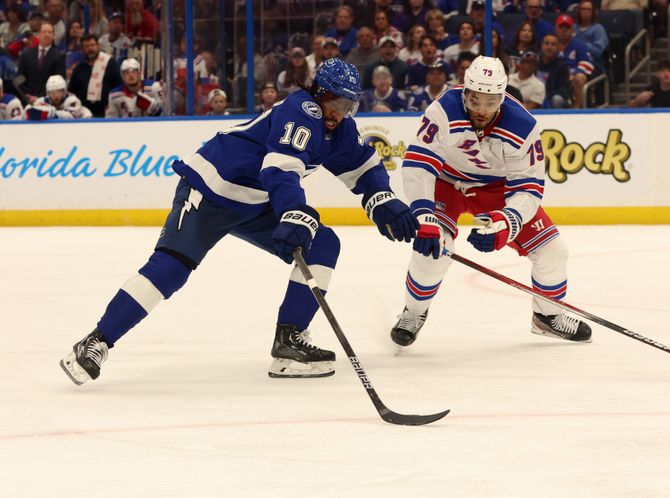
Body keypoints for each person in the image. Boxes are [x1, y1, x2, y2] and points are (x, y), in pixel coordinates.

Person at [59, 58, 418, 386]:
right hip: (212, 187)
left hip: (256, 199)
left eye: (347, 106)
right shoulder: (302, 110)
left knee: (323, 243)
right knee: (170, 268)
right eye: (335, 102)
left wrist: (382, 199)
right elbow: (281, 167)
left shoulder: (338, 128)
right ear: (318, 93)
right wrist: (293, 210)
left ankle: (289, 342)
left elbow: (363, 165)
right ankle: (96, 341)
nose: (338, 113)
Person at [389, 55, 592, 348]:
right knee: (433, 249)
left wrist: (507, 222)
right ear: (465, 92)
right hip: (446, 183)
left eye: (490, 101)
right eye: (474, 100)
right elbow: (419, 164)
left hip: (496, 188)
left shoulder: (522, 124)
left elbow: (529, 187)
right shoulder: (444, 109)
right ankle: (413, 312)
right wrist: (423, 214)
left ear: (502, 96)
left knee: (553, 251)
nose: (481, 110)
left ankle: (547, 316)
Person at [68, 33, 123, 117]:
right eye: (86, 46)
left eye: (92, 45)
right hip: (83, 115)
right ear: (82, 49)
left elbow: (120, 87)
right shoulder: (79, 69)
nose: (90, 48)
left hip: (107, 114)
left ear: (98, 46)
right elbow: (71, 93)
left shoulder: (110, 64)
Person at [15, 21, 65, 103]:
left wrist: (40, 98)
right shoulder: (26, 54)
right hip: (27, 99)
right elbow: (19, 78)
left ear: (53, 36)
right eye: (44, 32)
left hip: (48, 101)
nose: (47, 34)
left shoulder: (59, 56)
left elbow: (59, 82)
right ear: (38, 35)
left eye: (50, 32)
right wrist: (26, 95)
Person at [25, 74, 92, 119]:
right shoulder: (41, 101)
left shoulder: (72, 100)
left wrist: (50, 112)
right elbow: (27, 114)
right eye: (52, 93)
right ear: (48, 93)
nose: (56, 96)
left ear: (64, 91)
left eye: (59, 91)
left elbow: (71, 117)